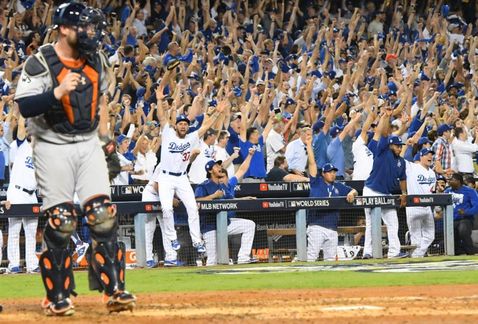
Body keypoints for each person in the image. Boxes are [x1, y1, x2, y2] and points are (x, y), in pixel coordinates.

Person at [14, 3, 135, 315]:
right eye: (84, 27)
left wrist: (106, 141)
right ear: (64, 29)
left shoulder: (96, 59)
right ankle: (57, 295)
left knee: (103, 214)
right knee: (63, 220)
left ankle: (114, 291)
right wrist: (57, 91)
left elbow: (102, 102)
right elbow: (25, 107)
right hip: (52, 144)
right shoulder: (41, 60)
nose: (91, 33)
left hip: (87, 142)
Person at [154, 82, 225, 255]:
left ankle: (197, 241)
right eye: (180, 124)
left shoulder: (192, 137)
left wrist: (217, 112)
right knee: (167, 208)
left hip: (181, 178)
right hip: (165, 177)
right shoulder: (168, 133)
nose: (183, 126)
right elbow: (162, 117)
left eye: (185, 124)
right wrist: (158, 100)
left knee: (193, 208)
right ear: (176, 126)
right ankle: (172, 238)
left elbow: (206, 127)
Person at [195, 148, 257, 266]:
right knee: (212, 261)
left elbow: (231, 200)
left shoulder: (223, 186)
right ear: (210, 171)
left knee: (249, 225)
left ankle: (243, 258)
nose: (219, 167)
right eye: (216, 166)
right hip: (210, 227)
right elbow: (196, 201)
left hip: (225, 224)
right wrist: (213, 196)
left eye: (219, 165)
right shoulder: (203, 186)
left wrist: (245, 199)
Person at [304, 133, 358, 262]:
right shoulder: (317, 182)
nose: (332, 174)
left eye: (334, 172)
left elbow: (354, 190)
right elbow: (312, 163)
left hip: (333, 227)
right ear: (323, 173)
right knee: (312, 257)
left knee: (330, 260)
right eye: (330, 172)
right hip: (316, 225)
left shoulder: (339, 186)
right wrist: (308, 145)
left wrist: (352, 193)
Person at [362, 110, 408, 259]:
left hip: (386, 194)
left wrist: (404, 193)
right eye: (397, 146)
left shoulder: (401, 161)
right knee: (371, 223)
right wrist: (386, 117)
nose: (399, 148)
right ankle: (367, 252)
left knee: (393, 222)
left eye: (400, 146)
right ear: (390, 146)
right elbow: (383, 132)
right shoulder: (383, 150)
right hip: (371, 190)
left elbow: (402, 178)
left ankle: (394, 252)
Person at [6, 114, 39, 273]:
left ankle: (32, 265)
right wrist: (23, 110)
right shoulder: (21, 146)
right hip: (17, 192)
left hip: (31, 195)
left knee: (31, 231)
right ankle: (13, 265)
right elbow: (20, 128)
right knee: (14, 230)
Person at [403, 148, 437, 258]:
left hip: (427, 207)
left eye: (431, 155)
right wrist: (407, 146)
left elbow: (432, 191)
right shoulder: (412, 167)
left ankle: (416, 256)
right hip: (413, 206)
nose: (430, 157)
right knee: (415, 236)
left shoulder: (432, 173)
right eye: (427, 155)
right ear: (421, 156)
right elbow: (400, 158)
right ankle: (416, 257)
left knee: (430, 236)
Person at [446, 173, 478, 255]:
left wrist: (466, 212)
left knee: (463, 230)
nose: (449, 181)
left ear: (458, 181)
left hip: (465, 218)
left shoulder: (470, 191)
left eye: (451, 180)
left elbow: (476, 206)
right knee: (452, 235)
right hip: (451, 219)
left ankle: (470, 252)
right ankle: (457, 252)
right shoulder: (447, 191)